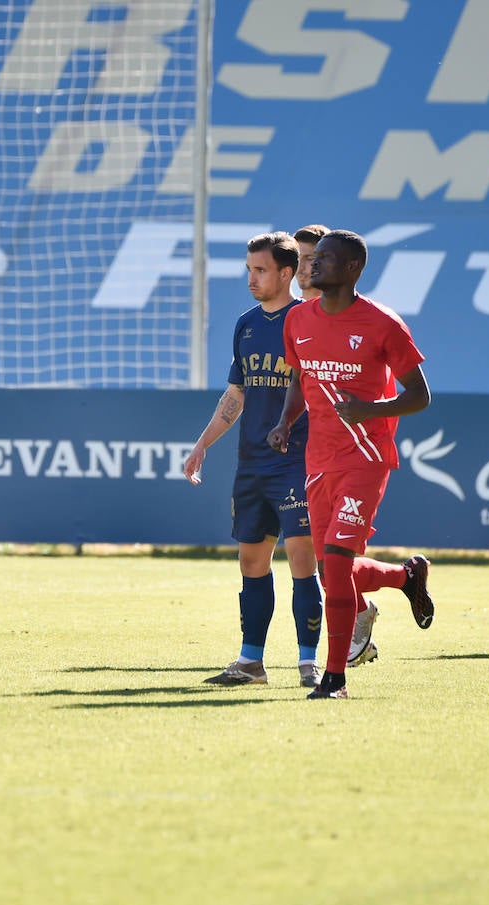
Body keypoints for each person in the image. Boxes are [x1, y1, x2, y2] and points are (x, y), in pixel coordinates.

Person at [268, 230, 434, 700]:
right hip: (318, 461)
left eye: (324, 260)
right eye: (312, 259)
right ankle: (405, 577)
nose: (312, 266)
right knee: (332, 573)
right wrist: (285, 422)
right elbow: (301, 381)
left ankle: (334, 678)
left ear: (353, 268)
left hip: (365, 457)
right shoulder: (298, 319)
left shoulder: (383, 323)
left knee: (337, 565)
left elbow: (420, 396)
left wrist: (372, 410)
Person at [184, 232, 323, 688]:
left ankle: (308, 664)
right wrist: (204, 442)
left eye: (261, 270)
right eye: (249, 269)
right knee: (251, 563)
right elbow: (236, 393)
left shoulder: (308, 320)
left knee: (303, 558)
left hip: (297, 462)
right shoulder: (245, 324)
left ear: (287, 273)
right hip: (252, 464)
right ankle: (251, 663)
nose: (252, 278)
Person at [293, 224, 329, 299]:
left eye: (309, 258)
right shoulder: (291, 310)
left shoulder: (345, 308)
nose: (300, 266)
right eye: (297, 258)